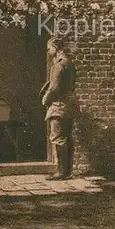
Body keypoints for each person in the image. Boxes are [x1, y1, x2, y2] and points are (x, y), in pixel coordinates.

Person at [41, 37, 76, 180]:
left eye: (49, 48)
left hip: (58, 106)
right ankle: (67, 171)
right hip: (69, 105)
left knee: (58, 137)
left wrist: (45, 99)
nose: (49, 51)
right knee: (67, 137)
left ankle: (61, 172)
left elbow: (54, 88)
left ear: (55, 48)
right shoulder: (70, 64)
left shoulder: (58, 65)